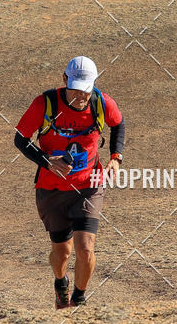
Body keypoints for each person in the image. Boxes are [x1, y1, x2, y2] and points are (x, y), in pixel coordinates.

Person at [15, 56, 125, 309]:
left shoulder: (102, 103)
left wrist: (116, 158)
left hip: (89, 184)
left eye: (85, 90)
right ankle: (60, 283)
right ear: (64, 80)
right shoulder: (45, 103)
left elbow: (118, 124)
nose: (81, 96)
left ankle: (79, 299)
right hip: (51, 188)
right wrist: (46, 161)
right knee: (62, 252)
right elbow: (20, 138)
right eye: (75, 89)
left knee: (85, 247)